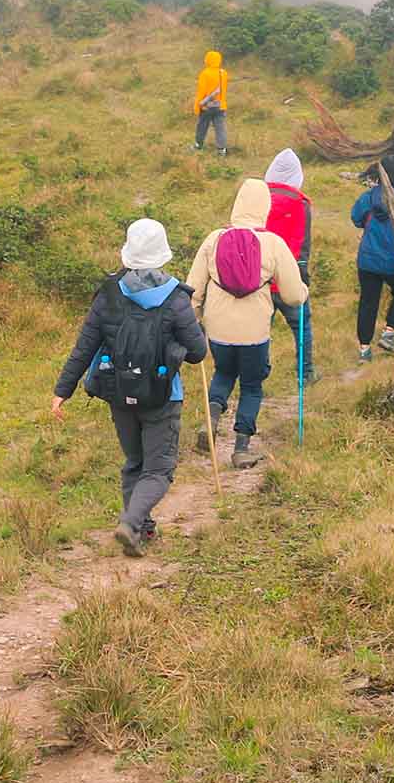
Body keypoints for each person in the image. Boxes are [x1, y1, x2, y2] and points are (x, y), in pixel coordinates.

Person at [49, 219, 208, 556]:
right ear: (162, 255)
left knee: (134, 462)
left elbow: (85, 345)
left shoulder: (108, 294)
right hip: (163, 397)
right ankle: (132, 522)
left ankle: (140, 530)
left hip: (118, 393)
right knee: (159, 469)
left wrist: (63, 390)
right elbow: (197, 353)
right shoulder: (177, 299)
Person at [186, 178, 309, 467]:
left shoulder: (213, 239)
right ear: (264, 207)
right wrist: (303, 291)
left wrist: (192, 320)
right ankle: (241, 448)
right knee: (252, 385)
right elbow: (292, 297)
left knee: (224, 372)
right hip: (254, 331)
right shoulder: (273, 243)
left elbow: (193, 289)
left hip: (218, 329)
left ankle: (212, 416)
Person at [350, 155, 394, 362]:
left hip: (368, 260)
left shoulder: (367, 198)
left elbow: (355, 218)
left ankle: (364, 351)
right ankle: (388, 333)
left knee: (368, 302)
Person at [261, 148, 313, 390]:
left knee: (261, 330)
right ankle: (306, 374)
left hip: (261, 278)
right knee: (301, 327)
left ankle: (260, 371)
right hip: (291, 277)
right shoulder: (301, 204)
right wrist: (304, 277)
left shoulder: (260, 200)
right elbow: (304, 244)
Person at [190, 50, 230, 154]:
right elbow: (224, 90)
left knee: (202, 126)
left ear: (207, 60)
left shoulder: (205, 73)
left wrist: (197, 106)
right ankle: (222, 150)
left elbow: (201, 92)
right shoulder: (223, 73)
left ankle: (198, 145)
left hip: (207, 107)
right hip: (220, 106)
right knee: (220, 128)